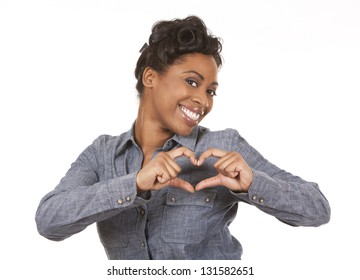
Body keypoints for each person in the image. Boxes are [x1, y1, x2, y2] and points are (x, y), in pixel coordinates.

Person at [35, 15, 331, 260]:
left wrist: (254, 183)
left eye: (210, 91)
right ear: (150, 78)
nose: (203, 101)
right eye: (192, 82)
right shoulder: (102, 154)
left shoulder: (223, 147)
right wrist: (134, 183)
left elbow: (318, 208)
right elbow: (49, 220)